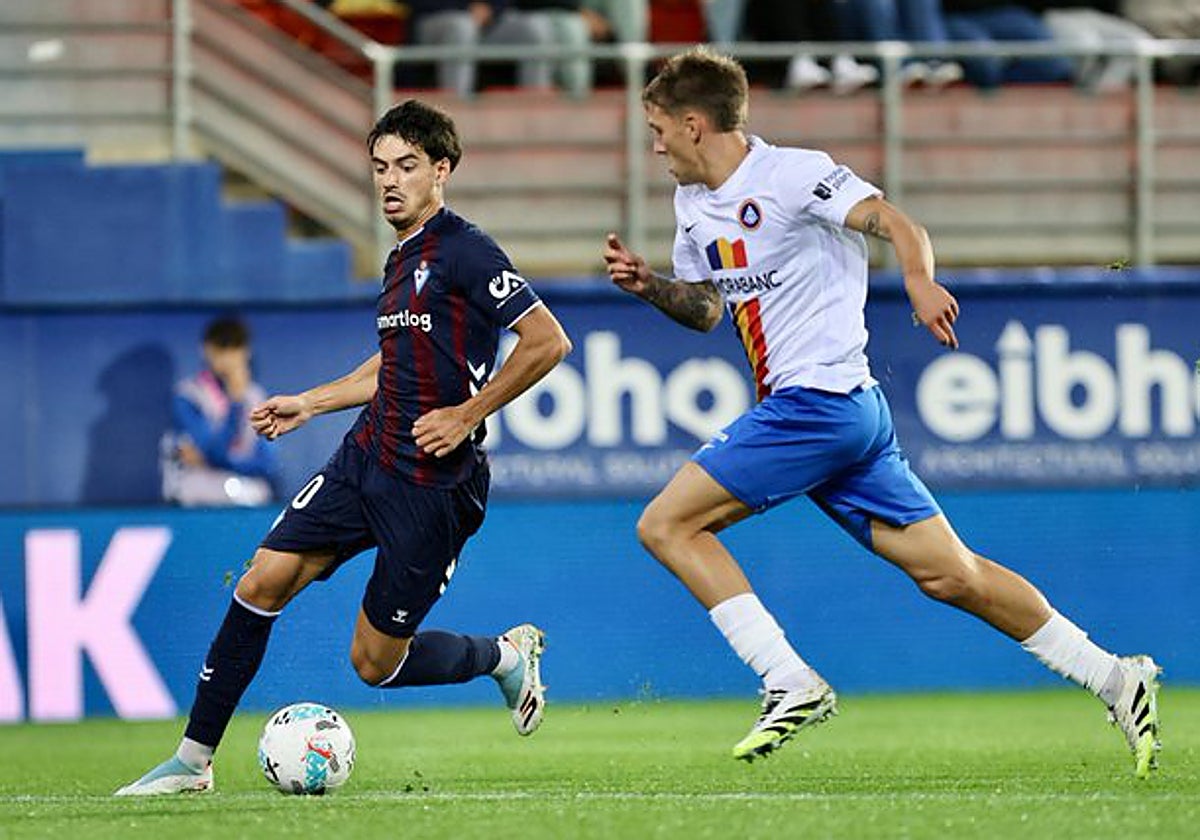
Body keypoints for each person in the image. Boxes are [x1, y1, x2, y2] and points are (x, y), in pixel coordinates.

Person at [602, 46, 1161, 777]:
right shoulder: (693, 206)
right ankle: (1115, 676)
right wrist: (649, 286)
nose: (654, 145)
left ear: (694, 122)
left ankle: (788, 680)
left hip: (820, 402)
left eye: (658, 128)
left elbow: (899, 224)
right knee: (951, 575)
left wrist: (921, 283)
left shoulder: (794, 174)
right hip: (843, 415)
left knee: (666, 524)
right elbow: (709, 308)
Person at [116, 99, 573, 796]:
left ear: (441, 170)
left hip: (433, 484)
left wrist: (468, 413)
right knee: (260, 582)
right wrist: (311, 402)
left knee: (375, 663)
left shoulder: (463, 249)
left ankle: (504, 656)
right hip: (367, 457)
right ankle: (192, 760)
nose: (389, 181)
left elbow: (548, 341)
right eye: (379, 167)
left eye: (407, 167)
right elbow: (394, 362)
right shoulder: (399, 258)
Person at [161, 316, 279, 507]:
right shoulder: (188, 396)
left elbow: (267, 464)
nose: (228, 359)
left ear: (246, 352)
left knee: (259, 493)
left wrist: (218, 462)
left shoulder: (256, 396)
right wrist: (235, 402)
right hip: (196, 494)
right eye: (221, 349)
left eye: (235, 349)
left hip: (246, 490)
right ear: (206, 350)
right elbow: (214, 452)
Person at [406, 0, 547, 97]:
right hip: (434, 19)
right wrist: (467, 9)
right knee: (462, 27)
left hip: (485, 21)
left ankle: (535, 108)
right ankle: (457, 110)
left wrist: (490, 9)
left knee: (533, 27)